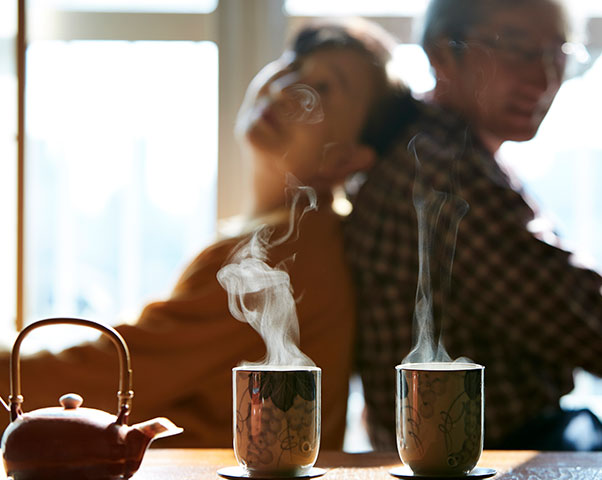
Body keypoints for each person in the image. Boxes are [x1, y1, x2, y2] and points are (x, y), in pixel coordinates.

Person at [0, 18, 410, 449]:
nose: (286, 87)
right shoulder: (295, 238)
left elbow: (104, 376)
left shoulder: (275, 259)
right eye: (292, 64)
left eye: (324, 88)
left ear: (348, 159)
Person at [344, 0, 602, 451]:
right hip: (491, 455)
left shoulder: (441, 152)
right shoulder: (445, 176)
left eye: (559, 53)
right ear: (444, 53)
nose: (545, 79)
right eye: (518, 49)